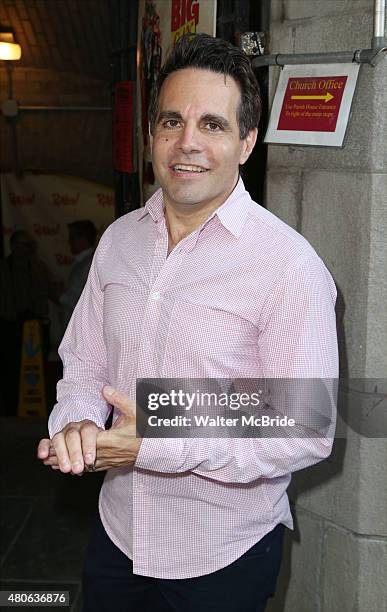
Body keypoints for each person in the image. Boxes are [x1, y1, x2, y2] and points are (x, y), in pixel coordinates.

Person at [37, 34, 338, 612]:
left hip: (222, 556)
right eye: (171, 121)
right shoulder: (120, 240)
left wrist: (152, 443)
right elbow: (85, 364)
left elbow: (304, 425)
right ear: (150, 134)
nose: (187, 144)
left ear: (247, 141)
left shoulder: (286, 265)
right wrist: (77, 425)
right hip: (118, 535)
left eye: (213, 125)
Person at [59, 220, 97, 330]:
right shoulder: (84, 262)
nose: (68, 242)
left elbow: (84, 301)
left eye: (72, 238)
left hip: (81, 329)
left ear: (83, 240)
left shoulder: (88, 264)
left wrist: (59, 296)